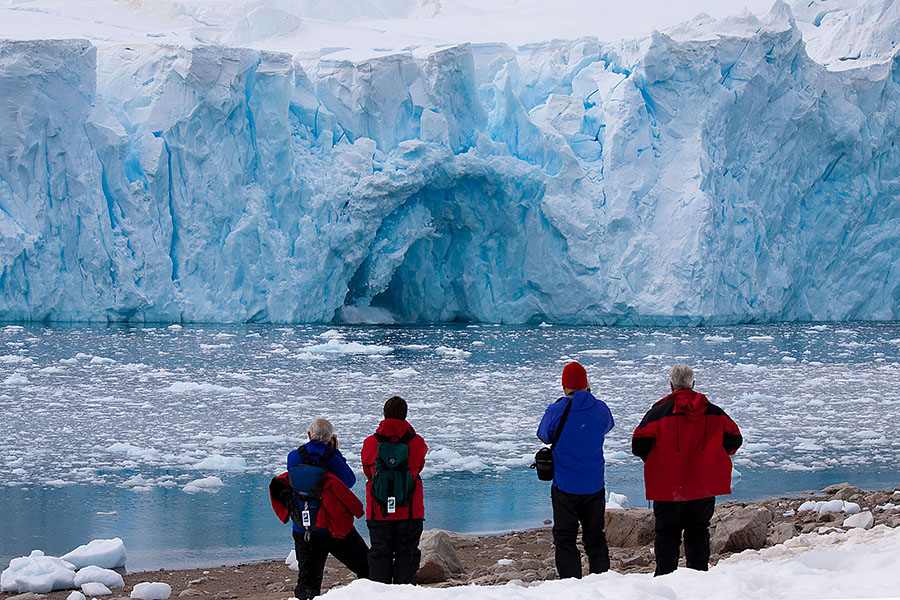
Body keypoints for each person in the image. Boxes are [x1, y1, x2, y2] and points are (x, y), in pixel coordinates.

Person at [631, 364, 742, 576]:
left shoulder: (658, 413)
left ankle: (665, 580)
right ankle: (698, 580)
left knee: (666, 534)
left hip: (667, 487)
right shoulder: (713, 412)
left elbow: (638, 444)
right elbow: (735, 438)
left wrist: (655, 459)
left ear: (671, 385)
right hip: (703, 486)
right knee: (698, 532)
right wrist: (712, 456)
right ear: (693, 383)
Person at [537, 361, 615, 579]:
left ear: (564, 386)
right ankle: (602, 581)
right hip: (594, 484)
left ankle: (571, 584)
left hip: (565, 485)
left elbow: (544, 435)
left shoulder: (557, 409)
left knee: (565, 538)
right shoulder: (600, 407)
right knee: (595, 537)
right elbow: (607, 426)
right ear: (586, 383)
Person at [285, 418, 369, 599]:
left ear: (309, 435)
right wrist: (336, 452)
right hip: (332, 527)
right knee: (366, 566)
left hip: (303, 526)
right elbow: (349, 481)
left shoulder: (294, 456)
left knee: (307, 581)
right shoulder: (331, 458)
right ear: (331, 438)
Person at [361, 396, 428, 584]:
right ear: (405, 415)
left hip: (378, 510)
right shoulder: (416, 442)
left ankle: (379, 595)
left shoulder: (370, 442)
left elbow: (368, 472)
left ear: (384, 414)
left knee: (379, 554)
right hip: (410, 510)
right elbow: (418, 467)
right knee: (407, 554)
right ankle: (405, 594)